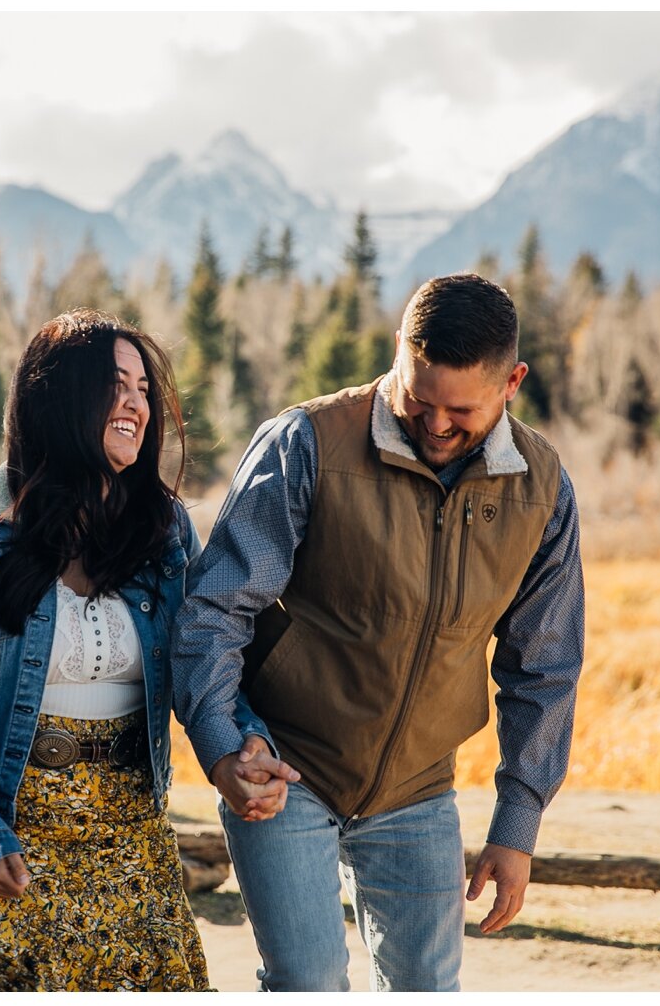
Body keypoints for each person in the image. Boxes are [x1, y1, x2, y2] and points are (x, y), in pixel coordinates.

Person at [173, 273, 585, 992]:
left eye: (462, 410)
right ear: (399, 349)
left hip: (419, 789)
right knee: (307, 983)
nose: (434, 425)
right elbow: (215, 609)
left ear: (513, 381)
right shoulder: (305, 444)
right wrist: (221, 746)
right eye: (419, 398)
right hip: (284, 768)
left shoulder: (542, 492)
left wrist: (517, 822)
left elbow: (543, 666)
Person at [0, 308, 289, 992]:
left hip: (127, 824)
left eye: (144, 387)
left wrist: (238, 745)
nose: (137, 401)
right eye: (116, 383)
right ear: (59, 395)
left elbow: (202, 663)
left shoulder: (164, 530)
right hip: (0, 822)